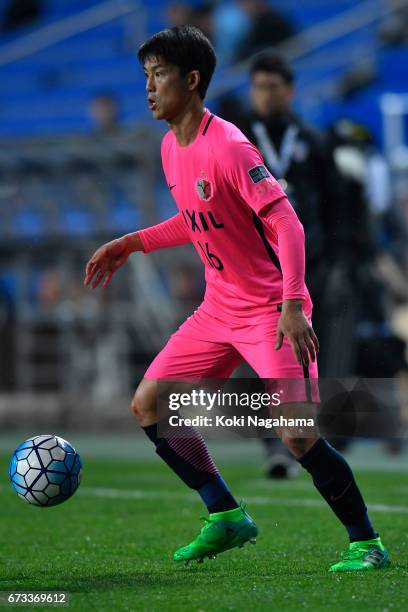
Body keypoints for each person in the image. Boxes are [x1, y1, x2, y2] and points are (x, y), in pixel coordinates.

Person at [84, 26, 389, 572]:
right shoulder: (169, 146)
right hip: (217, 309)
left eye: (159, 75)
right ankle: (224, 514)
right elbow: (197, 219)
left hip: (273, 311)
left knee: (297, 435)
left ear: (193, 80)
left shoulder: (229, 144)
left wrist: (293, 304)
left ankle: (367, 545)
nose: (149, 88)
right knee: (149, 404)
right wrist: (133, 242)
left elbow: (287, 222)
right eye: (146, 76)